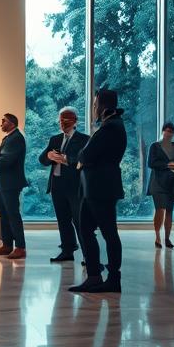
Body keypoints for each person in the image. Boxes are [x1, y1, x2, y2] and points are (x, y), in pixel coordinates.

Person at [69, 88, 127, 294]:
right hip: (94, 188)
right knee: (85, 230)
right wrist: (82, 158)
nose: (93, 108)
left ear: (103, 106)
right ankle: (94, 276)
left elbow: (85, 155)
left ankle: (113, 278)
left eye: (95, 105)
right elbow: (85, 155)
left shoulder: (111, 127)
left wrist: (82, 159)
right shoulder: (110, 125)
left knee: (109, 233)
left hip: (101, 189)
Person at [39, 107, 89, 263]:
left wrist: (66, 159)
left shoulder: (84, 139)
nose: (63, 123)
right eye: (61, 120)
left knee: (79, 222)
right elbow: (42, 160)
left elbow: (84, 161)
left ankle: (89, 256)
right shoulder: (55, 139)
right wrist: (48, 155)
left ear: (75, 121)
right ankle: (67, 251)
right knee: (62, 220)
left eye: (66, 120)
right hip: (57, 185)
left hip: (75, 187)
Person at [0, 113, 29, 259]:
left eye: (3, 121)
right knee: (3, 213)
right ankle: (7, 245)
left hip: (10, 182)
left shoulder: (16, 138)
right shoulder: (9, 137)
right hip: (3, 182)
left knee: (12, 214)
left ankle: (20, 247)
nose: (1, 124)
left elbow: (8, 159)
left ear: (11, 123)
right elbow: (2, 156)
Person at [147, 121, 174, 249]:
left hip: (172, 183)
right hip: (158, 182)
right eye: (167, 130)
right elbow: (151, 163)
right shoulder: (155, 146)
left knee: (170, 210)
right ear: (163, 131)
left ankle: (167, 238)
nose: (169, 133)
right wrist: (167, 165)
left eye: (171, 131)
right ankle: (157, 236)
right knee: (160, 209)